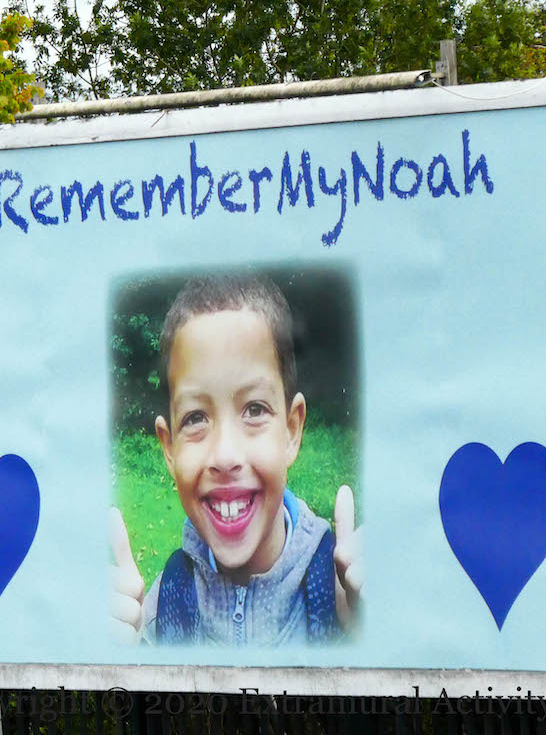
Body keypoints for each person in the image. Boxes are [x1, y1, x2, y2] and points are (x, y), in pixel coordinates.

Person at [110, 274, 362, 646]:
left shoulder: (345, 601)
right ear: (169, 448)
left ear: (292, 430)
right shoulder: (157, 617)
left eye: (254, 410)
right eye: (196, 418)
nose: (225, 455)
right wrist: (120, 667)